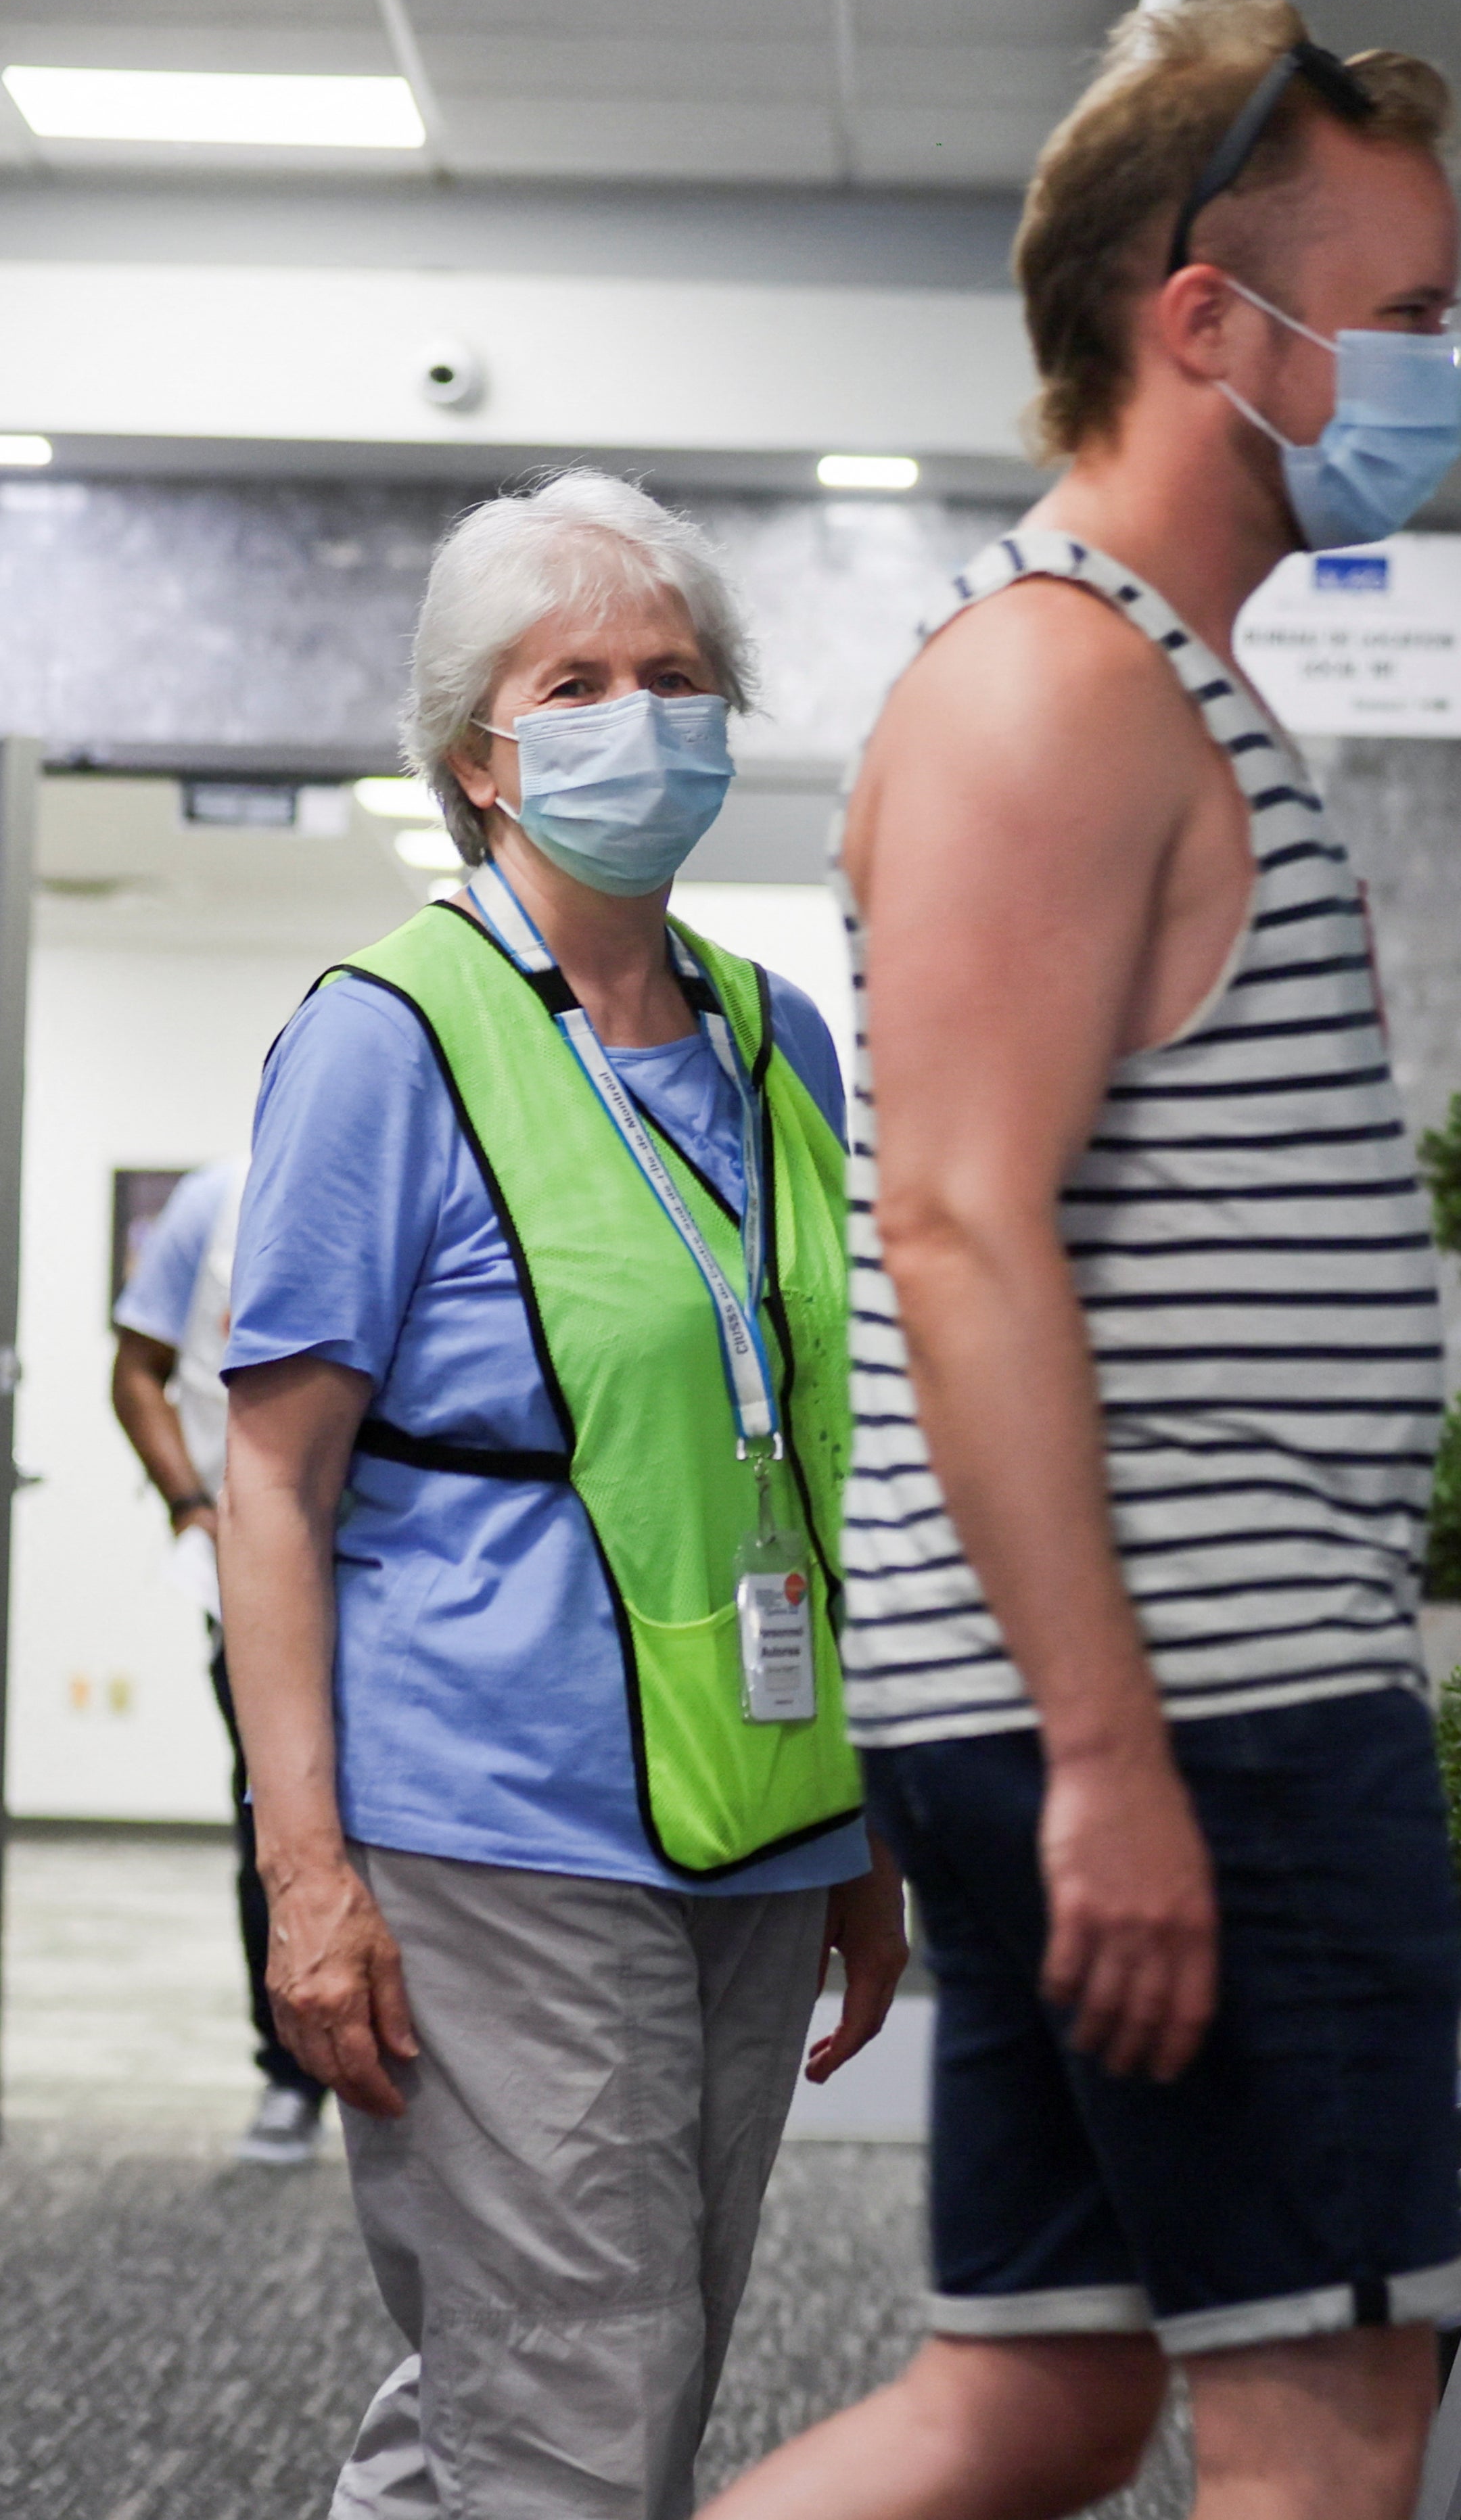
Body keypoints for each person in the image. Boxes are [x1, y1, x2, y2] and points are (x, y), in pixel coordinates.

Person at [701, 0, 1461, 2520]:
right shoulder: (1058, 685)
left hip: (1133, 1701)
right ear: (1208, 324)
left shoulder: (1148, 680)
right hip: (1186, 1707)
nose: (1437, 371)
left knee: (1031, 2392)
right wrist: (1116, 1761)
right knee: (1326, 2434)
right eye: (1413, 317)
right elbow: (952, 1220)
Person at [218, 468, 910, 2520]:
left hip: (752, 1812)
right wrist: (306, 1867)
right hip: (489, 1824)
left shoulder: (779, 1037)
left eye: (677, 674)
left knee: (589, 2374)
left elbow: (792, 1436)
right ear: (478, 756)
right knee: (577, 2406)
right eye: (578, 680)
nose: (640, 713)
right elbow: (272, 1476)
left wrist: (854, 1830)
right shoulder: (388, 1035)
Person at [112, 1152, 332, 2165]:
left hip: (395, 1564)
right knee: (274, 1804)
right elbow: (136, 1373)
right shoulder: (217, 1200)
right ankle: (287, 2076)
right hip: (244, 1566)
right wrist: (191, 1507)